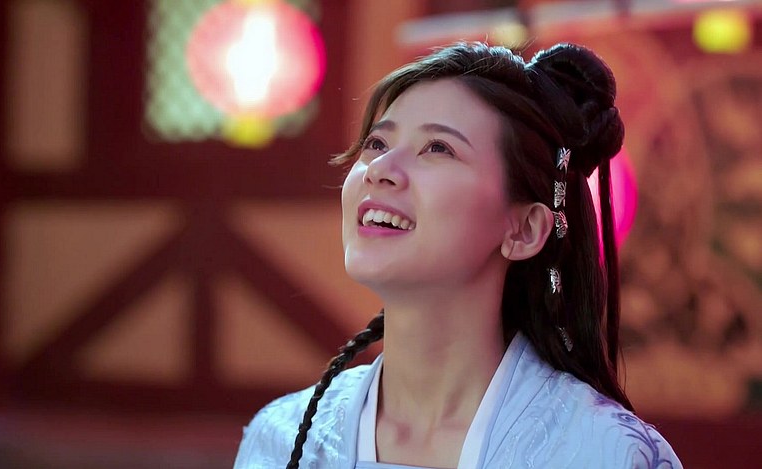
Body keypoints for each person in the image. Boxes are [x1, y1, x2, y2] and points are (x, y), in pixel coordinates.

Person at [233, 41, 682, 468]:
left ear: (524, 230)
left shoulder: (605, 454)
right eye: (376, 144)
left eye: (438, 148)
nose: (380, 170)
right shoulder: (281, 440)